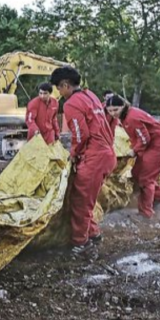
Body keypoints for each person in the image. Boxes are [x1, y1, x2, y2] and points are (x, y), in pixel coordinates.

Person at [50, 67, 116, 255]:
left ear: (65, 85)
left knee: (80, 201)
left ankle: (80, 242)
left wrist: (73, 153)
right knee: (89, 199)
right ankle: (93, 233)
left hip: (94, 156)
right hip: (106, 154)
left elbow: (81, 134)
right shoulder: (91, 96)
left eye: (59, 88)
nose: (59, 92)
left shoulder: (71, 104)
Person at [105, 96, 160, 218]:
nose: (113, 113)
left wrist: (134, 151)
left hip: (159, 145)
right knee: (136, 172)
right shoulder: (125, 116)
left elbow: (144, 139)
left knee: (146, 178)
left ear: (123, 106)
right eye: (110, 111)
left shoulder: (132, 118)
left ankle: (146, 212)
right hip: (150, 144)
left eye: (116, 109)